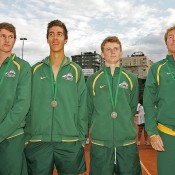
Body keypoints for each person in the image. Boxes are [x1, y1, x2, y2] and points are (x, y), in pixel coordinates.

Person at [24, 19, 88, 175]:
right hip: (39, 141)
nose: (55, 38)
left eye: (59, 34)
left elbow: (82, 106)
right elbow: (27, 105)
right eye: (51, 34)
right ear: (47, 39)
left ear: (66, 39)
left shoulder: (76, 70)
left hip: (69, 141)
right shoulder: (35, 69)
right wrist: (27, 137)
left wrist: (80, 139)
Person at [87, 36, 142, 175]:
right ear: (102, 54)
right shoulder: (93, 79)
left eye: (116, 49)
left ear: (121, 52)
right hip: (101, 144)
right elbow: (89, 109)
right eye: (108, 49)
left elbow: (130, 108)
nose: (112, 52)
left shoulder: (132, 78)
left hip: (126, 144)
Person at [143, 25, 175, 175]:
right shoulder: (157, 69)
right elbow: (149, 103)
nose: (174, 39)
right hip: (167, 136)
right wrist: (153, 133)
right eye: (170, 37)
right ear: (166, 42)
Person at [0, 22, 31, 175]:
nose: (7, 40)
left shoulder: (22, 67)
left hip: (12, 135)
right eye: (3, 36)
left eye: (11, 37)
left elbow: (22, 105)